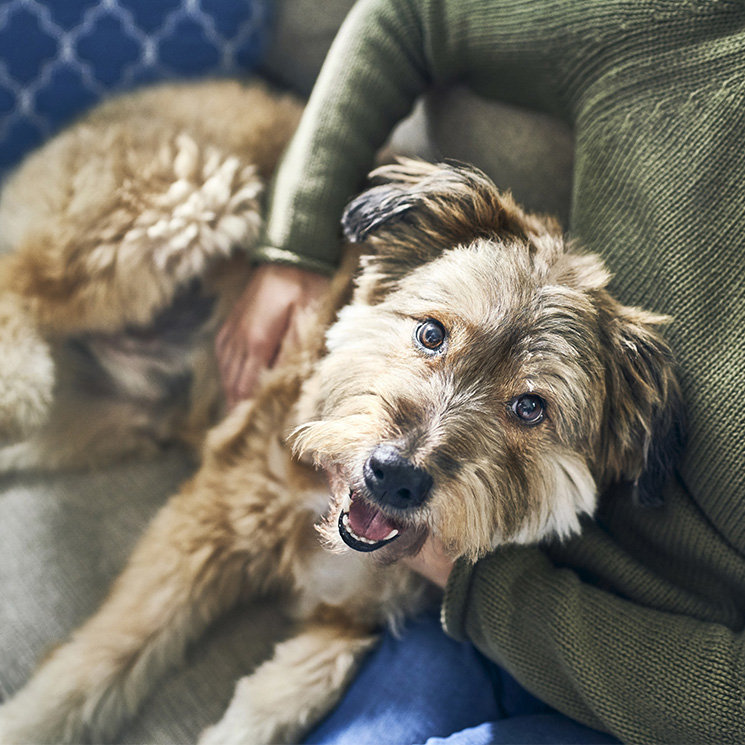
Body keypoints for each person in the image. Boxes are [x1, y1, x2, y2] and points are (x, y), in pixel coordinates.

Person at [216, 0, 745, 742]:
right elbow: (412, 10)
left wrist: (473, 581)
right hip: (479, 586)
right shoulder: (689, 27)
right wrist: (294, 246)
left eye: (526, 407)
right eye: (432, 335)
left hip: (613, 668)